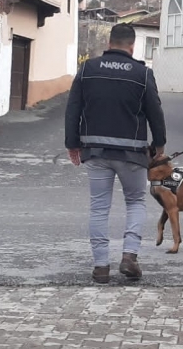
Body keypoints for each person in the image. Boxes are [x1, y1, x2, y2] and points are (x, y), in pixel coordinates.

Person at [64, 23, 166, 284]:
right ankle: (129, 256)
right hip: (132, 154)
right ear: (132, 47)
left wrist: (72, 143)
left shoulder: (87, 69)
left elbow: (73, 107)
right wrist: (160, 144)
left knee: (99, 207)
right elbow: (155, 110)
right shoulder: (143, 73)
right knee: (135, 202)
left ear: (109, 43)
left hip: (96, 152)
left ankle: (100, 267)